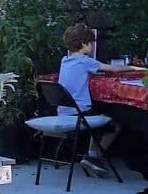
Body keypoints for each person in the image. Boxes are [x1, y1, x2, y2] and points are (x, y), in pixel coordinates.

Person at [57, 22, 134, 178]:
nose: (92, 46)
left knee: (98, 112)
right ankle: (95, 157)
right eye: (90, 43)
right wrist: (135, 68)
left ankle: (92, 156)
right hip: (80, 115)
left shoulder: (65, 60)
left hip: (64, 112)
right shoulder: (85, 61)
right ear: (84, 44)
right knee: (115, 122)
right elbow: (114, 69)